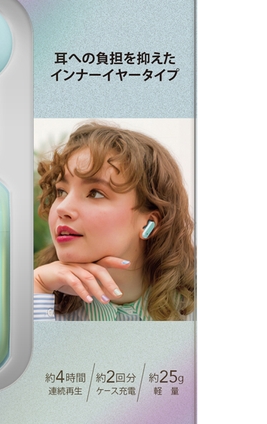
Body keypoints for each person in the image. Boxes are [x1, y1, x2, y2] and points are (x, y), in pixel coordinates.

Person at [33, 122, 194, 321]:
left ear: (149, 224)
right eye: (61, 192)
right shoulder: (38, 295)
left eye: (95, 193)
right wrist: (38, 289)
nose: (62, 208)